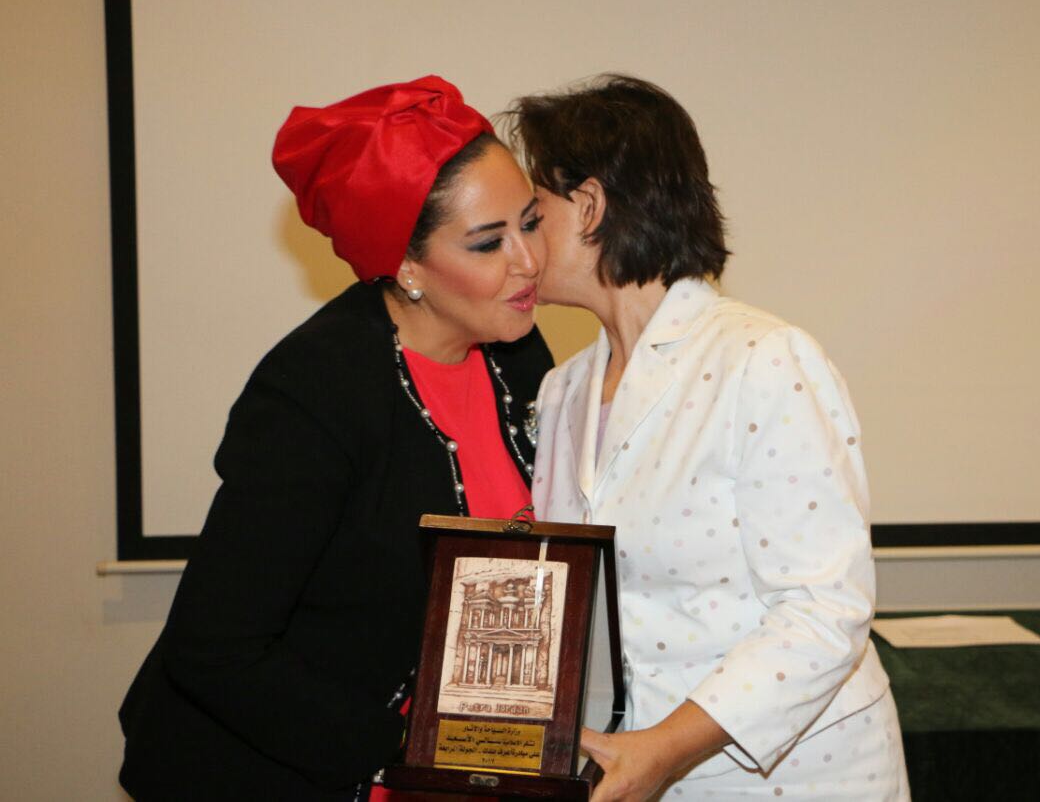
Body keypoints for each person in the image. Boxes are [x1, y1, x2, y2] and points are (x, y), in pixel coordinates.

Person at [118, 75, 553, 801]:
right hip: (284, 771)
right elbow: (215, 650)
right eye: (489, 243)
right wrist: (413, 754)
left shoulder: (518, 351)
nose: (529, 261)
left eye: (531, 223)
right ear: (406, 264)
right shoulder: (315, 391)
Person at [508, 76, 909, 801]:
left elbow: (825, 611)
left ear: (590, 206)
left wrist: (662, 749)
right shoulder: (563, 389)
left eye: (535, 215)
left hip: (794, 779)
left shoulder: (762, 360)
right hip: (633, 770)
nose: (522, 247)